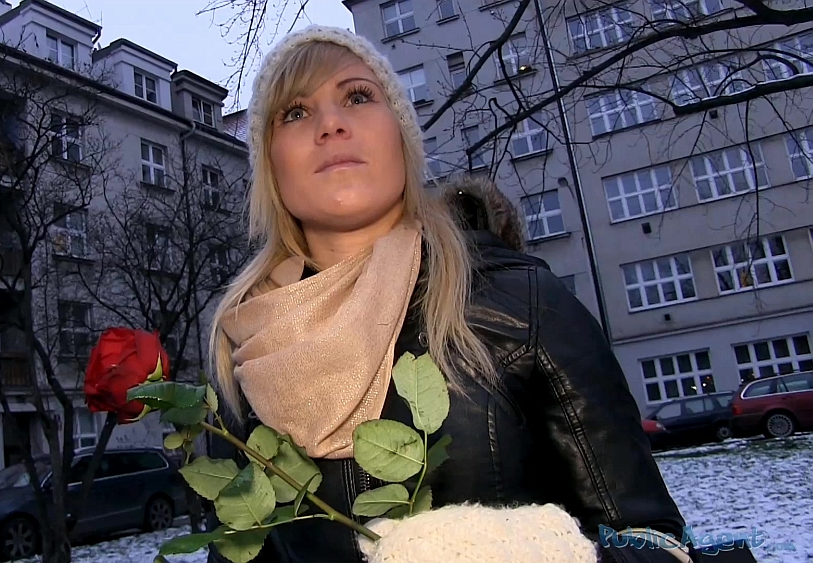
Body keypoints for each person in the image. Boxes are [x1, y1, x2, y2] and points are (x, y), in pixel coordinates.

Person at [204, 25, 748, 563]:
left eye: (358, 97)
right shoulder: (247, 351)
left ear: (402, 137)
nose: (331, 124)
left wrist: (532, 554)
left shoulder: (522, 303)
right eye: (295, 113)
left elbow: (656, 543)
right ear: (270, 166)